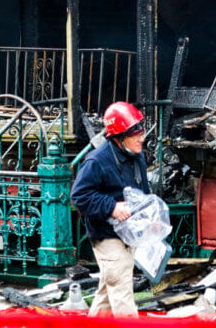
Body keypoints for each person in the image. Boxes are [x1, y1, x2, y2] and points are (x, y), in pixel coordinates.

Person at [71, 101, 150, 316]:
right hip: (107, 236)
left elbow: (142, 190)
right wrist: (112, 207)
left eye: (141, 133)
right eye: (136, 136)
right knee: (123, 293)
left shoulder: (136, 155)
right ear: (119, 137)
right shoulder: (96, 161)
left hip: (129, 232)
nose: (141, 139)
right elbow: (79, 196)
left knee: (108, 291)